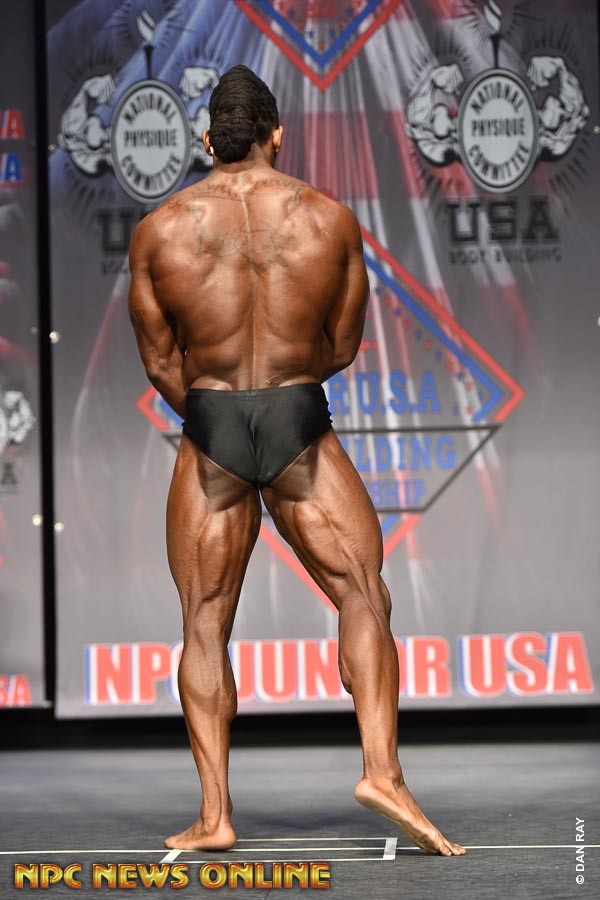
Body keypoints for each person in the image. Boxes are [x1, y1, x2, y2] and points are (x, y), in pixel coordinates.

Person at [128, 65, 465, 858]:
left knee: (203, 622)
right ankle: (382, 772)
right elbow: (342, 346)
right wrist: (282, 392)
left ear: (207, 139)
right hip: (297, 418)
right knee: (364, 593)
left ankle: (215, 816)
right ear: (277, 134)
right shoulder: (329, 220)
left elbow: (161, 362)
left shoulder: (159, 231)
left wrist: (216, 410)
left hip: (210, 422)